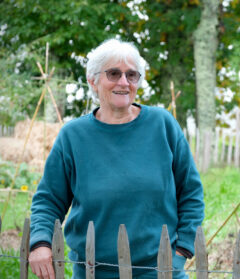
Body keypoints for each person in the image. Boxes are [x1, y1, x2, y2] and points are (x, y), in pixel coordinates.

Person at [29, 38, 204, 279]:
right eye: (113, 74)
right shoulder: (73, 136)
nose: (123, 82)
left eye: (132, 75)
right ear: (93, 80)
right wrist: (40, 243)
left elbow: (191, 192)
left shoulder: (162, 125)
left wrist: (181, 251)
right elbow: (49, 199)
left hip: (160, 271)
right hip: (92, 272)